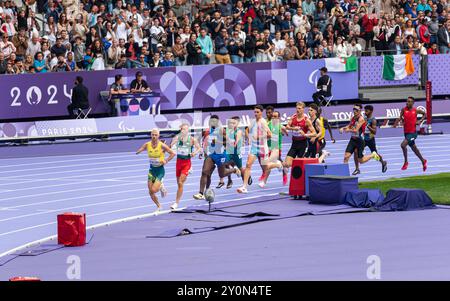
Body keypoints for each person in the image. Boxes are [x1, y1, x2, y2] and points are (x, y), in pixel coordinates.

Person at [193, 115, 241, 200]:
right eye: (211, 121)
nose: (213, 123)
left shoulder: (221, 130)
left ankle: (234, 170)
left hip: (221, 155)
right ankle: (201, 193)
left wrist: (217, 141)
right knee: (205, 172)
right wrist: (203, 151)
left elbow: (229, 142)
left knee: (222, 174)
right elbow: (204, 140)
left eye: (214, 121)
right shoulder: (208, 130)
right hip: (211, 154)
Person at [237, 105, 283, 193]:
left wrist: (259, 137)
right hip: (254, 148)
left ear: (261, 113)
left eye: (257, 112)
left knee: (266, 168)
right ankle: (244, 187)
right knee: (248, 165)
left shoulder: (263, 122)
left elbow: (270, 135)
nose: (256, 114)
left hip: (262, 148)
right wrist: (249, 138)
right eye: (255, 112)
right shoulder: (253, 121)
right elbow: (246, 130)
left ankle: (278, 164)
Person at [136, 128, 175, 214]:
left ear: (158, 136)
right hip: (151, 170)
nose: (154, 136)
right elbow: (141, 149)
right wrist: (138, 151)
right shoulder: (147, 144)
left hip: (160, 171)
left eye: (155, 135)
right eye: (152, 134)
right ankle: (159, 206)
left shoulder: (162, 145)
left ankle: (161, 186)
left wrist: (166, 160)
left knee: (154, 190)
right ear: (151, 135)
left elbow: (173, 153)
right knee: (150, 191)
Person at [170, 124, 201, 210]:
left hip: (186, 163)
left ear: (188, 130)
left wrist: (194, 153)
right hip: (178, 162)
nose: (184, 131)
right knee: (179, 184)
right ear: (181, 130)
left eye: (186, 129)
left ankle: (176, 203)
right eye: (182, 129)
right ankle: (187, 173)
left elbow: (199, 148)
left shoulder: (192, 139)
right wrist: (174, 142)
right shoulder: (177, 137)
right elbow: (170, 146)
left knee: (180, 182)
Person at [340, 104, 381, 170]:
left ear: (359, 111)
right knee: (346, 157)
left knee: (361, 161)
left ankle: (372, 155)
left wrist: (348, 130)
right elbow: (349, 126)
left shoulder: (361, 119)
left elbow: (356, 130)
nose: (354, 111)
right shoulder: (353, 118)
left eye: (356, 110)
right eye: (354, 109)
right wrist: (343, 128)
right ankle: (345, 176)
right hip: (353, 140)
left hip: (360, 141)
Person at [217, 116, 251, 189]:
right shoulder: (227, 131)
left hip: (237, 152)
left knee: (241, 168)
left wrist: (234, 142)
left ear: (237, 123)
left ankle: (245, 182)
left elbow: (236, 141)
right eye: (230, 123)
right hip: (229, 151)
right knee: (224, 163)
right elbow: (224, 141)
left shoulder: (238, 131)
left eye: (233, 123)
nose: (231, 124)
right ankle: (232, 174)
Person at [353, 105, 388, 175]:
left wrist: (367, 126)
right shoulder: (363, 117)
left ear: (371, 111)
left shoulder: (373, 120)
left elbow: (374, 132)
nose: (365, 112)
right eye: (365, 110)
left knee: (375, 155)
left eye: (367, 111)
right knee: (355, 151)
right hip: (363, 139)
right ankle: (357, 169)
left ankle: (383, 162)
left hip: (370, 140)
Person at [395, 97, 427, 171]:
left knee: (403, 145)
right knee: (414, 149)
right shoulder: (403, 109)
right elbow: (400, 117)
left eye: (409, 101)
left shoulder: (416, 110)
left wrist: (420, 121)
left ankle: (406, 162)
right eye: (407, 101)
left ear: (413, 103)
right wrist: (400, 120)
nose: (407, 103)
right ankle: (423, 161)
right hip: (406, 132)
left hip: (413, 133)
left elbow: (425, 114)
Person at [282, 102, 316, 171]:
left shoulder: (306, 120)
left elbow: (314, 133)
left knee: (300, 165)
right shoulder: (293, 117)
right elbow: (287, 126)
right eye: (297, 108)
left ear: (303, 109)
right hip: (294, 144)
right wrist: (293, 128)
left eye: (299, 108)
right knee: (287, 164)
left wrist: (305, 134)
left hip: (302, 144)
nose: (298, 110)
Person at [260, 109, 289, 187]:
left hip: (276, 148)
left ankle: (264, 181)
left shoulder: (280, 126)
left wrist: (285, 132)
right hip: (268, 148)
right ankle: (283, 168)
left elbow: (285, 130)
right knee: (269, 164)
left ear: (279, 118)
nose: (273, 118)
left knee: (268, 163)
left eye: (275, 117)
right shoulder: (268, 124)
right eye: (273, 116)